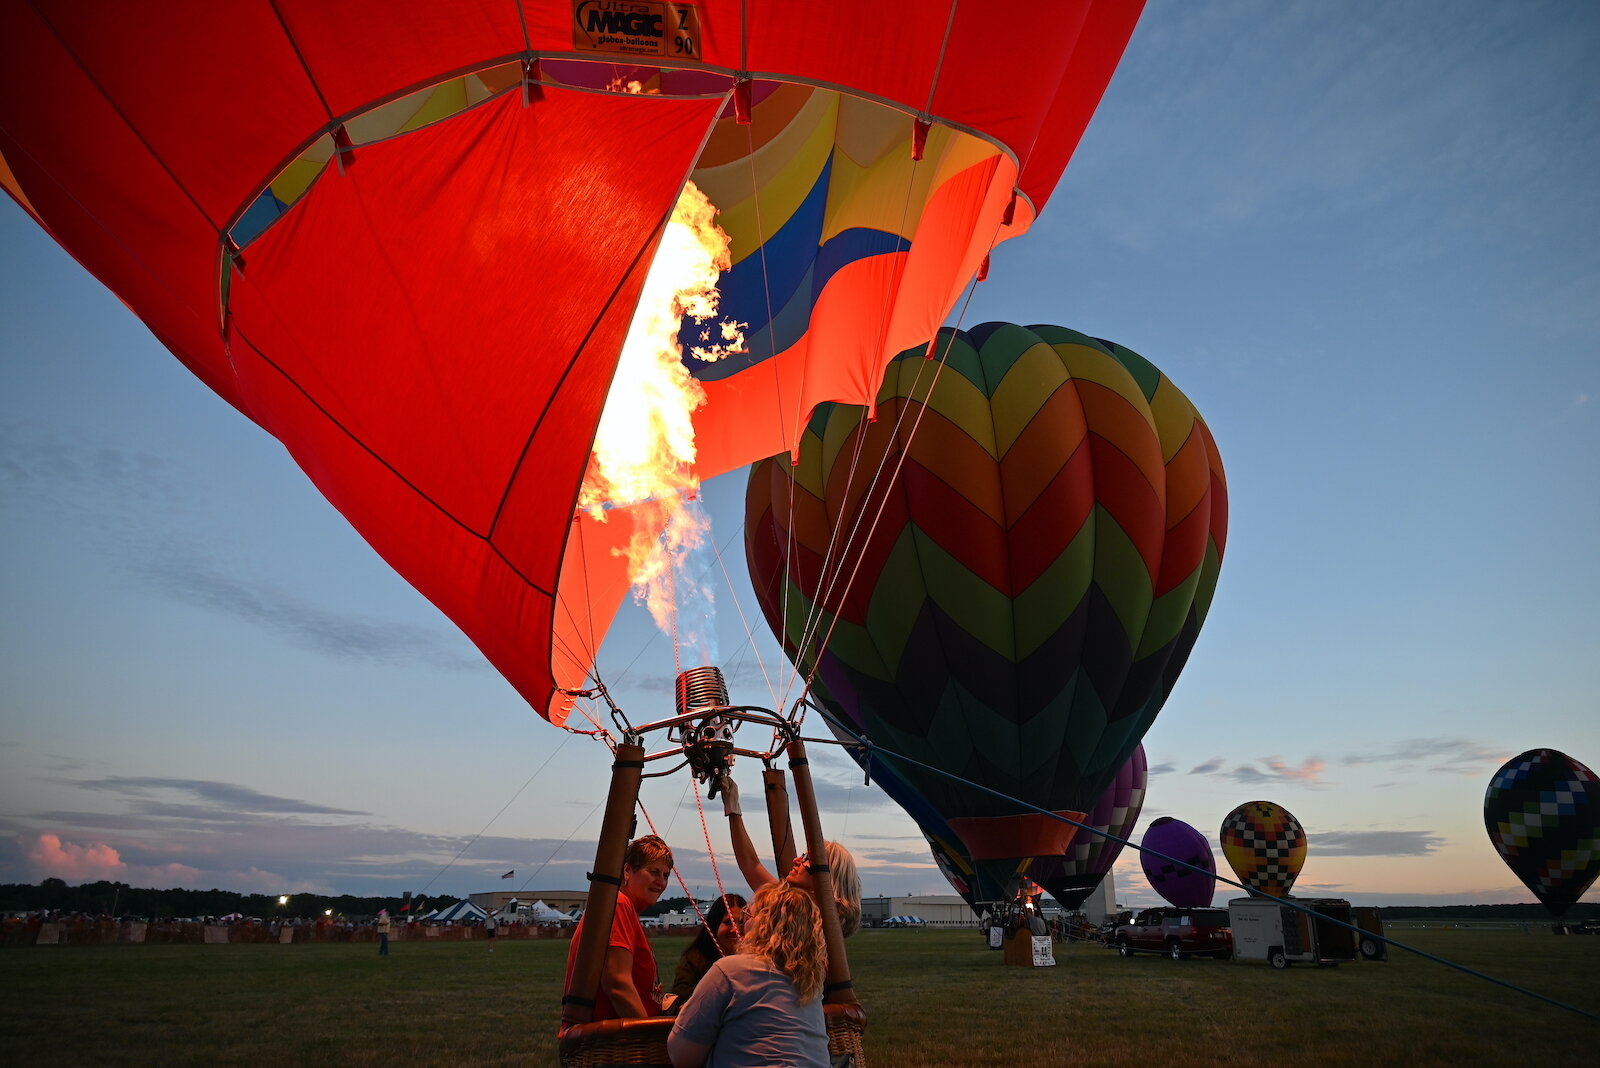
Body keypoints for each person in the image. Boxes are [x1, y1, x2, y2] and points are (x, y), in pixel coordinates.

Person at [667, 881, 829, 1068]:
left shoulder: (730, 970)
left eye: (747, 916)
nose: (741, 925)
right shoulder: (809, 982)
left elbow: (681, 1056)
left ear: (764, 924)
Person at [718, 773, 861, 937]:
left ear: (828, 876)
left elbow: (751, 865)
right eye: (802, 855)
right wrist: (733, 809)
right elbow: (751, 864)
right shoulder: (785, 900)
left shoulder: (820, 922)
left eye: (807, 859)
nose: (796, 860)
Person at [562, 834, 674, 1022]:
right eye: (654, 872)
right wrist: (645, 1036)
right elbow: (617, 983)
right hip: (612, 1041)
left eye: (666, 875)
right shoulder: (619, 904)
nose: (661, 882)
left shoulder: (625, 909)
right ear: (627, 870)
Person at [663, 893, 747, 1014]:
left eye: (740, 922)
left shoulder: (755, 960)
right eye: (728, 922)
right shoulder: (695, 958)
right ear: (714, 925)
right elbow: (680, 994)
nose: (735, 930)